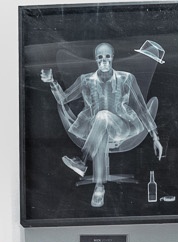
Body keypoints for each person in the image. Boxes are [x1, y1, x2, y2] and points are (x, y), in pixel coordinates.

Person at [40, 42, 162, 208]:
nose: (104, 60)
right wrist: (52, 82)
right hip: (96, 127)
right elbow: (63, 99)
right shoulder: (85, 80)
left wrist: (155, 137)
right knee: (100, 124)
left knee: (103, 117)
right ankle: (99, 188)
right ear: (95, 59)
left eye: (107, 56)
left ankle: (82, 160)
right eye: (100, 57)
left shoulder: (126, 78)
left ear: (112, 57)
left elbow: (141, 108)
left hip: (122, 127)